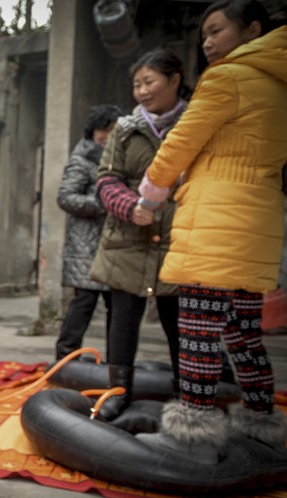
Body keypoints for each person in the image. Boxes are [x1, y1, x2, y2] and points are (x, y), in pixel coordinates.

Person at [136, 0, 287, 462]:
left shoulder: (227, 78)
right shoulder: (279, 84)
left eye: (217, 30)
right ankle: (262, 424)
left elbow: (182, 142)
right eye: (204, 34)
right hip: (256, 222)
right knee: (242, 332)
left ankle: (191, 438)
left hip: (217, 218)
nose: (207, 42)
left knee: (198, 328)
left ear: (253, 30)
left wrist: (151, 192)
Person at [88, 49, 190, 420]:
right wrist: (130, 206)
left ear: (175, 79)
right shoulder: (125, 130)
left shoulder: (198, 124)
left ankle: (188, 395)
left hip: (179, 241)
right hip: (127, 241)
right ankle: (117, 392)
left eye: (149, 82)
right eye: (137, 84)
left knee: (180, 323)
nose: (142, 91)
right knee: (122, 321)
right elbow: (106, 180)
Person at [54, 105, 123, 360]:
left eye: (113, 131)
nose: (107, 135)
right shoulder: (81, 159)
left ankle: (115, 361)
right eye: (103, 130)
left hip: (114, 244)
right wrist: (103, 204)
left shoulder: (121, 159)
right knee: (84, 301)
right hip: (86, 245)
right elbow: (65, 197)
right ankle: (65, 356)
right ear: (93, 131)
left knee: (116, 306)